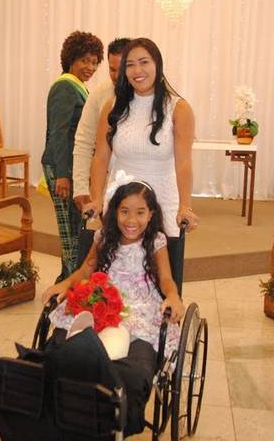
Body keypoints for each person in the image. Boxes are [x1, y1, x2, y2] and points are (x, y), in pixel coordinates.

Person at [41, 180, 183, 436]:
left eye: (140, 212)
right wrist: (64, 284)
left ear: (151, 214)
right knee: (63, 338)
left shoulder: (156, 241)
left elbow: (165, 279)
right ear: (115, 211)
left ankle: (115, 409)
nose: (132, 220)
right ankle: (63, 403)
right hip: (101, 297)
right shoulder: (104, 237)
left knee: (130, 360)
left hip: (139, 305)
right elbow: (85, 271)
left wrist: (173, 296)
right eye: (124, 211)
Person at [85, 37, 199, 236]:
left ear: (157, 65)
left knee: (162, 256)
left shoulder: (179, 109)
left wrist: (185, 206)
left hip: (163, 202)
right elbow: (101, 157)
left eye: (144, 62)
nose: (137, 70)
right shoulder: (112, 107)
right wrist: (96, 198)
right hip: (121, 204)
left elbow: (183, 163)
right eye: (130, 65)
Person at [41, 31, 104, 281]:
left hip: (68, 167)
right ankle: (67, 285)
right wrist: (63, 175)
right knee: (70, 232)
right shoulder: (65, 87)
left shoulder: (78, 87)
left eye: (94, 62)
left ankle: (69, 281)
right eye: (84, 60)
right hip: (62, 168)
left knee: (76, 228)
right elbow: (58, 133)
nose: (90, 67)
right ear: (70, 59)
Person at [72, 37, 131, 212]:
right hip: (107, 186)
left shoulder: (152, 96)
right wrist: (81, 187)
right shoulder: (100, 94)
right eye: (112, 69)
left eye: (122, 69)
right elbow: (84, 141)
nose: (117, 76)